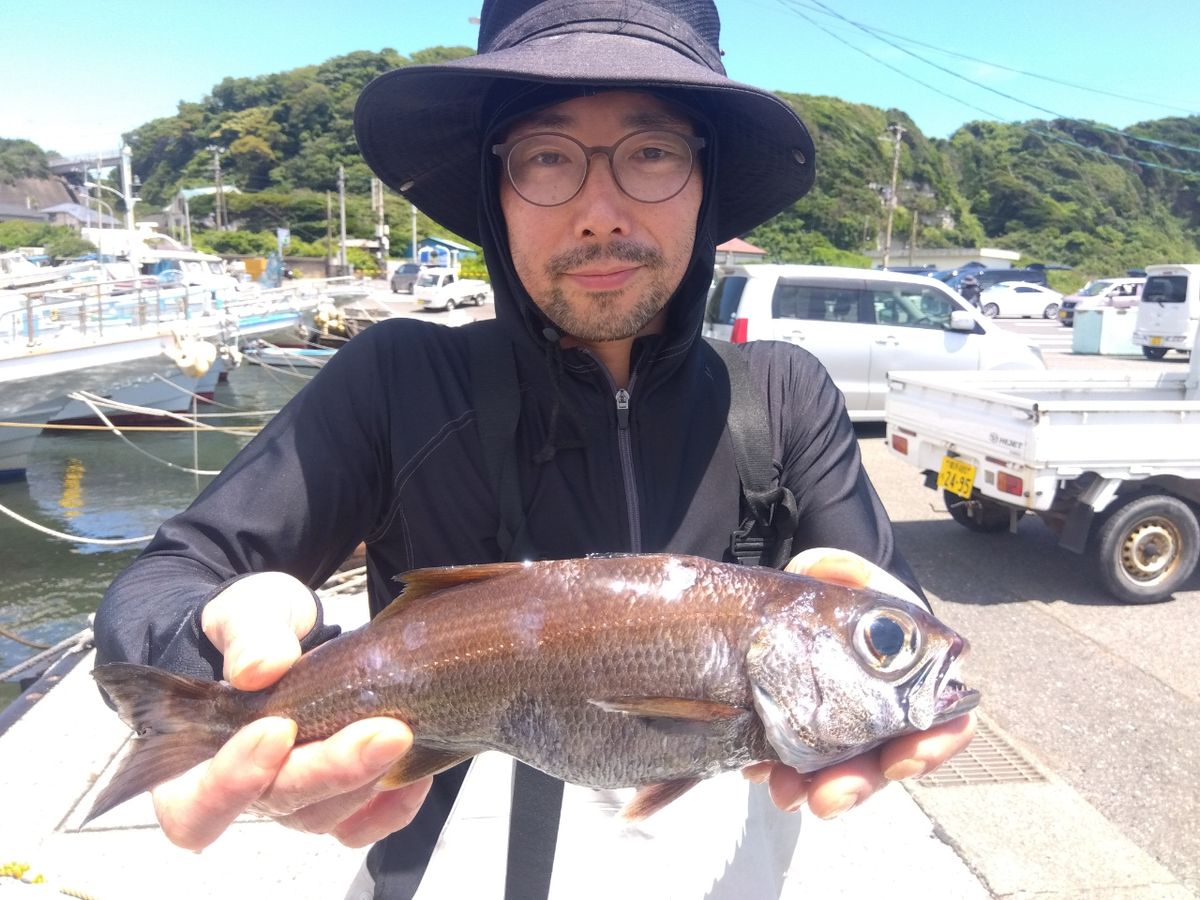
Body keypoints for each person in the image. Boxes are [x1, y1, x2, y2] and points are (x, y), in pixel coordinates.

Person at [94, 1, 975, 897]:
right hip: (444, 852)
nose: (599, 213)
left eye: (653, 152)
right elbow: (170, 577)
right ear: (496, 191)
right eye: (547, 156)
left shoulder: (785, 393)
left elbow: (886, 608)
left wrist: (885, 611)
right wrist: (218, 673)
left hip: (724, 856)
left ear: (705, 183)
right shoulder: (395, 378)